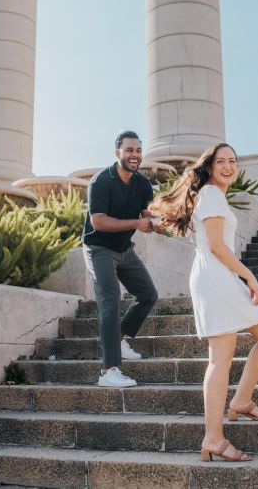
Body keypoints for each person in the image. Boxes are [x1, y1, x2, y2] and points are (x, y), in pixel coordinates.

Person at [151, 142, 258, 462]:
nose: (228, 166)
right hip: (216, 276)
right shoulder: (210, 194)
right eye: (220, 161)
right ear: (209, 167)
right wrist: (249, 276)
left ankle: (240, 401)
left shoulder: (215, 195)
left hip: (220, 276)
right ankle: (213, 437)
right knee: (220, 358)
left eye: (232, 161)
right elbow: (216, 247)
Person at [82, 130, 161, 388]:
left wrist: (158, 220)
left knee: (148, 294)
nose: (135, 155)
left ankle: (120, 339)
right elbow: (99, 221)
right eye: (129, 150)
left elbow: (147, 212)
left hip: (124, 249)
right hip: (98, 248)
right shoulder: (100, 182)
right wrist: (138, 222)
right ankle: (108, 371)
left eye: (138, 150)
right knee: (110, 300)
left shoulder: (142, 184)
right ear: (118, 153)